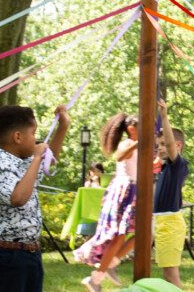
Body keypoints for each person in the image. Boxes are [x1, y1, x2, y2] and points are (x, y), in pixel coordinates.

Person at [0, 104, 70, 292]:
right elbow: (18, 197)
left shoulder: (19, 162)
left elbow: (48, 159)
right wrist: (36, 159)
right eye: (33, 133)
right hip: (6, 256)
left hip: (25, 254)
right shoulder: (0, 166)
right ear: (18, 137)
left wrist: (63, 127)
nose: (36, 139)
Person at [75, 113, 140, 289]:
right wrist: (137, 144)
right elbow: (119, 156)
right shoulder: (127, 144)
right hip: (125, 192)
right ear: (132, 129)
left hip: (135, 192)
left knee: (142, 234)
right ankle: (98, 276)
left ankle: (110, 263)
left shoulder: (139, 147)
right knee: (119, 236)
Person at [152, 106, 189, 289]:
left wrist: (164, 117)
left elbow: (170, 144)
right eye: (157, 145)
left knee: (171, 276)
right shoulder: (165, 168)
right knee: (167, 275)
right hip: (161, 222)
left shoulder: (178, 165)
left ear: (177, 146)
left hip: (169, 223)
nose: (159, 148)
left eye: (163, 144)